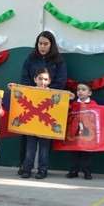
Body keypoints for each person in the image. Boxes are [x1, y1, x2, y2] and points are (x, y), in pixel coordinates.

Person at [18, 30, 67, 175]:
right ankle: (25, 166)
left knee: (45, 141)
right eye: (40, 43)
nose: (42, 46)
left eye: (46, 44)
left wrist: (45, 91)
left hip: (50, 106)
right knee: (28, 139)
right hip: (30, 103)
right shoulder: (30, 59)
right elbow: (24, 78)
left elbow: (61, 82)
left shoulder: (59, 61)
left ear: (51, 45)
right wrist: (35, 91)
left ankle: (43, 169)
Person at [17, 68, 55, 179]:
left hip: (46, 127)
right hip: (31, 126)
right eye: (40, 79)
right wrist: (13, 88)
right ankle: (27, 169)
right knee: (30, 149)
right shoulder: (29, 92)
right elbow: (19, 92)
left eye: (45, 79)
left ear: (49, 81)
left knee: (44, 149)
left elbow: (60, 103)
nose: (42, 81)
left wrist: (69, 97)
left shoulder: (53, 94)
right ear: (35, 79)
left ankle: (43, 170)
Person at [66, 81, 97, 180]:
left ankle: (87, 172)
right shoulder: (74, 103)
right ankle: (73, 171)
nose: (80, 92)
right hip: (76, 134)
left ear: (89, 93)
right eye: (78, 90)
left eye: (83, 90)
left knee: (87, 154)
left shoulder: (93, 104)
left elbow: (97, 116)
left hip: (88, 135)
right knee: (74, 154)